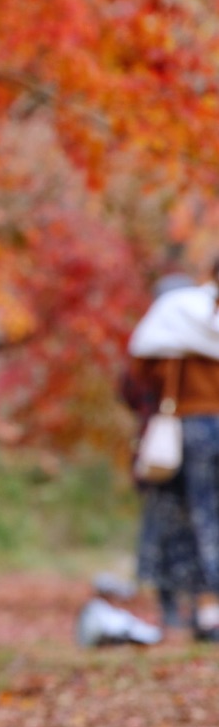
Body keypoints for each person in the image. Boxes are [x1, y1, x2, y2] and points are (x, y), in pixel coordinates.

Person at [127, 265, 219, 641]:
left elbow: (135, 375)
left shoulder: (167, 330)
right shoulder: (209, 317)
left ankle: (184, 609)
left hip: (185, 428)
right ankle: (209, 612)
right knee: (209, 516)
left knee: (177, 517)